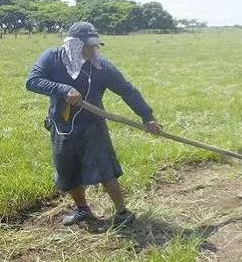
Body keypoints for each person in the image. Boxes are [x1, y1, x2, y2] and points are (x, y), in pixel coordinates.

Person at [26, 21, 161, 227]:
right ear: (75, 44)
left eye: (96, 45)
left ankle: (122, 213)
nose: (94, 49)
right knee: (68, 170)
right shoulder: (53, 58)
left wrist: (147, 117)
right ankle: (83, 210)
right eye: (89, 45)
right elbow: (32, 81)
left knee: (105, 169)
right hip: (61, 125)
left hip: (92, 126)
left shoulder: (101, 66)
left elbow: (127, 91)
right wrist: (63, 89)